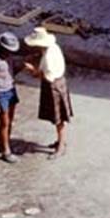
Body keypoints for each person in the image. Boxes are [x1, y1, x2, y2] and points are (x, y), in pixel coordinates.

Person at [22, 26, 73, 158]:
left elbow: (45, 76)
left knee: (58, 118)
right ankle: (60, 141)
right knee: (58, 117)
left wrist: (32, 70)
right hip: (59, 82)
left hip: (53, 86)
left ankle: (61, 146)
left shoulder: (49, 58)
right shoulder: (53, 47)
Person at [0, 31, 21, 163]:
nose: (10, 52)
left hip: (11, 89)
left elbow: (10, 72)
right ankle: (6, 151)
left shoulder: (9, 57)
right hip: (1, 93)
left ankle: (6, 142)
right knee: (4, 122)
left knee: (10, 120)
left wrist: (24, 65)